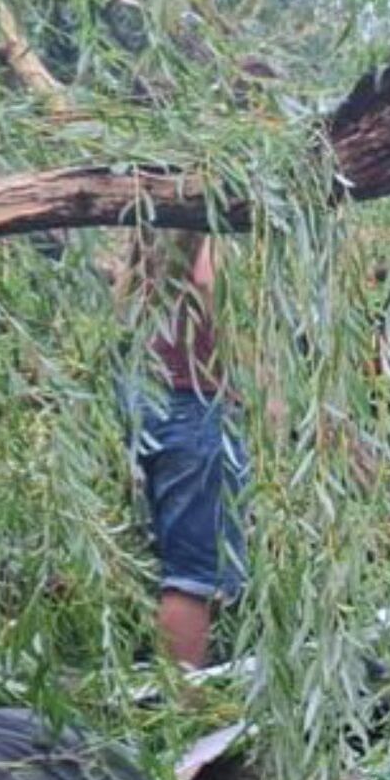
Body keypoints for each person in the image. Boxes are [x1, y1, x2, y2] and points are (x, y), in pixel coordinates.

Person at [122, 230, 248, 668]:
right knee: (195, 574)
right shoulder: (215, 191)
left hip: (152, 394)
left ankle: (175, 697)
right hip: (196, 402)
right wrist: (254, 375)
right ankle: (182, 714)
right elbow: (209, 278)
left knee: (181, 561)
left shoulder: (161, 197)